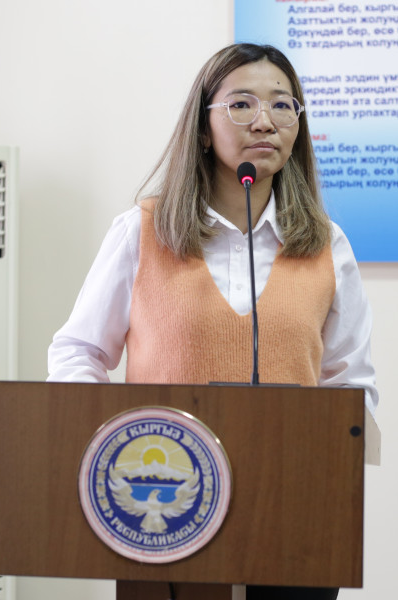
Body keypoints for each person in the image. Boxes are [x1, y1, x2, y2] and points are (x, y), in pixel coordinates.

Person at [48, 43, 377, 600]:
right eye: (242, 104)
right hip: (165, 509)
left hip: (296, 509)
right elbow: (78, 351)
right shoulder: (141, 231)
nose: (265, 121)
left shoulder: (327, 244)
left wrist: (330, 471)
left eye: (283, 105)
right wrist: (110, 447)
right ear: (203, 128)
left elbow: (351, 382)